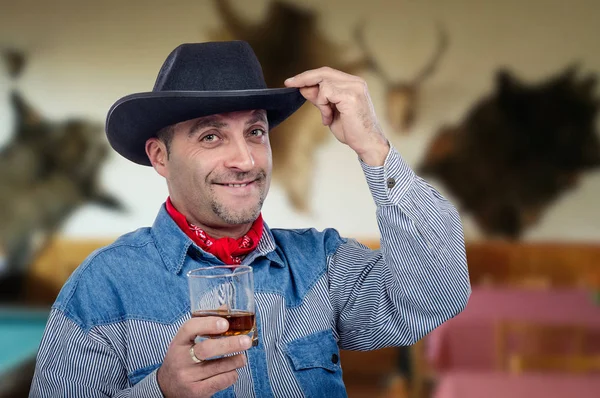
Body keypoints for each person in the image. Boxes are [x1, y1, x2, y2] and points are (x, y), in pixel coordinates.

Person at [30, 41, 470, 398]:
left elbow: (436, 297)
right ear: (160, 156)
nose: (244, 159)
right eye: (211, 135)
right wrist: (161, 391)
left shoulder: (323, 263)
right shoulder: (100, 288)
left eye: (255, 132)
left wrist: (374, 147)